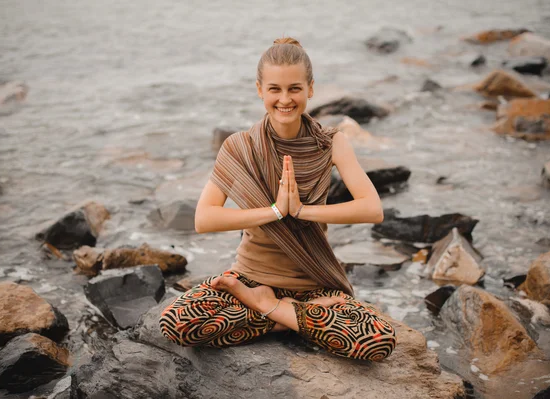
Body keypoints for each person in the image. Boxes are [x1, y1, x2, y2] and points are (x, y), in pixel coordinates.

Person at [159, 37, 397, 361]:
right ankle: (297, 318)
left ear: (311, 89)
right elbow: (204, 218)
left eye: (294, 89)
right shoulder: (239, 146)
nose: (285, 99)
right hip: (249, 278)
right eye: (275, 89)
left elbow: (373, 209)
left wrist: (301, 211)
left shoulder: (331, 143)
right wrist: (272, 212)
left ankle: (270, 309)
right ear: (259, 89)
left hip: (313, 284)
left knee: (377, 339)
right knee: (176, 322)